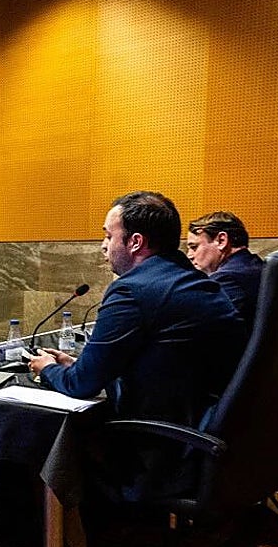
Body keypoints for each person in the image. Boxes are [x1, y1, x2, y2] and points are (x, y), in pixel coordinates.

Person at [29, 191, 245, 502]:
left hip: (159, 455)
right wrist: (76, 363)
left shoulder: (131, 291)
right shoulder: (198, 282)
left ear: (135, 243)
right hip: (210, 441)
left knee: (35, 449)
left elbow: (80, 384)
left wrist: (47, 368)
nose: (104, 246)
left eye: (108, 235)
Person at [186, 211, 265, 324]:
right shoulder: (258, 265)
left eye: (194, 247)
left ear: (221, 241)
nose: (189, 255)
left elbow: (206, 328)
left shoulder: (226, 279)